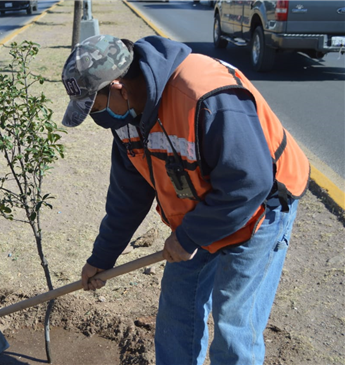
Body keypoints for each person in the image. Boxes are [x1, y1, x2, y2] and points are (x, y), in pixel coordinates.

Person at [60, 34, 309, 364]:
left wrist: (191, 236)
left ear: (118, 84)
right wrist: (102, 258)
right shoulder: (126, 120)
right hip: (200, 213)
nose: (96, 117)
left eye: (95, 105)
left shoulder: (203, 95)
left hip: (259, 211)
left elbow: (248, 183)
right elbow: (128, 197)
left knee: (234, 323)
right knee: (177, 314)